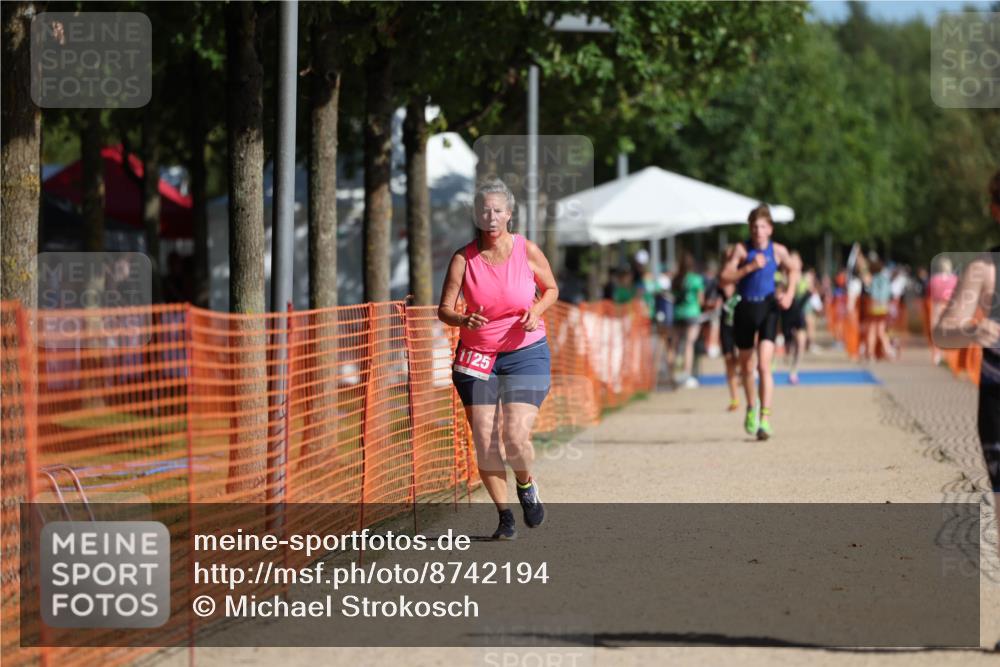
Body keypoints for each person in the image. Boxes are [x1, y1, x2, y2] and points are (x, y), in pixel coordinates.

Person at [438, 178, 558, 540]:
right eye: (484, 210)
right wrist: (461, 318)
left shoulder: (527, 250)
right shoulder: (463, 258)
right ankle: (505, 516)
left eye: (497, 210)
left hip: (526, 352)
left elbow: (551, 288)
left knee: (515, 435)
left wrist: (537, 309)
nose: (491, 216)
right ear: (476, 215)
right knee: (486, 440)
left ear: (509, 214)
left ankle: (526, 484)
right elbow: (444, 308)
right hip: (476, 357)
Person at [933, 169, 1000, 546]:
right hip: (996, 400)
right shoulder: (983, 269)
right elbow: (943, 332)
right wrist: (973, 331)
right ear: (996, 211)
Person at [721, 204, 799, 440]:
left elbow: (794, 269)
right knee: (746, 367)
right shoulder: (741, 250)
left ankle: (765, 418)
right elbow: (725, 276)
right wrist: (749, 268)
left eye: (762, 226)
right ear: (750, 228)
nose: (758, 230)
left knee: (764, 365)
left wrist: (789, 293)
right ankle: (750, 407)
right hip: (745, 308)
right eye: (754, 226)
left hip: (768, 308)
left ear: (770, 229)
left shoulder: (778, 251)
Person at [672, 252, 705, 388]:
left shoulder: (676, 279)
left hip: (678, 314)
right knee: (689, 345)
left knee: (676, 345)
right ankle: (686, 374)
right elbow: (700, 299)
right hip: (692, 313)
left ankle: (673, 373)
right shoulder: (696, 279)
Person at [715, 247, 742, 410]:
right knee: (728, 359)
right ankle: (734, 399)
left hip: (742, 322)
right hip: (726, 324)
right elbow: (710, 298)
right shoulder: (720, 281)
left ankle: (742, 374)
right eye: (727, 257)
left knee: (744, 357)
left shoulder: (743, 279)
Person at [779, 251, 810, 383]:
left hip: (799, 314)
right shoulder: (782, 278)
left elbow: (808, 295)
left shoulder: (805, 279)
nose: (794, 263)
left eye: (796, 260)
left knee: (801, 342)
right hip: (786, 315)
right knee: (788, 345)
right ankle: (786, 361)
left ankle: (794, 371)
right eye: (792, 260)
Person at [862, 254, 894, 361]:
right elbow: (888, 293)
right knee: (881, 330)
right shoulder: (885, 278)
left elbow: (872, 293)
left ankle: (871, 354)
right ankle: (888, 350)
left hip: (874, 306)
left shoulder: (874, 279)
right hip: (883, 307)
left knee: (872, 329)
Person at [928, 255, 958, 365]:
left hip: (937, 306)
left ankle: (936, 355)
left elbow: (930, 293)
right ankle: (947, 355)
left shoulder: (934, 279)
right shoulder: (954, 279)